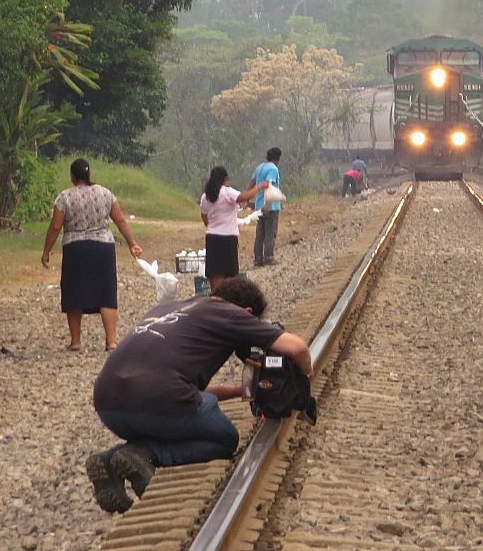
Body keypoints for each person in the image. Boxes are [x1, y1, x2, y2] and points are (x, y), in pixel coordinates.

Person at [85, 276, 313, 513]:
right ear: (247, 312)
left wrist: (237, 390)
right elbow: (297, 347)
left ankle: (111, 459)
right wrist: (306, 374)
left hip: (108, 405)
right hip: (157, 402)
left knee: (177, 414)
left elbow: (180, 388)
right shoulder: (229, 312)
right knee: (224, 438)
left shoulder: (167, 308)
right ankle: (147, 454)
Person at [41, 159, 143, 351]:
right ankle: (111, 340)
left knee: (74, 292)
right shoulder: (105, 193)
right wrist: (132, 244)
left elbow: (55, 226)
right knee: (106, 292)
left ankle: (76, 341)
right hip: (102, 248)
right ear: (88, 174)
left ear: (72, 176)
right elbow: (120, 220)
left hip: (75, 249)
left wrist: (46, 251)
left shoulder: (64, 197)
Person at [199, 166, 268, 291]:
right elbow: (243, 197)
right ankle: (228, 302)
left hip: (212, 238)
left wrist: (212, 227)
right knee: (229, 274)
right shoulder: (226, 192)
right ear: (225, 179)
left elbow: (204, 216)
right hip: (228, 238)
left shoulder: (206, 196)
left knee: (215, 274)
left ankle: (216, 300)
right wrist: (259, 188)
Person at [249, 148, 282, 267]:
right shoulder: (273, 169)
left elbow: (252, 182)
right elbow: (269, 185)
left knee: (260, 233)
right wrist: (267, 204)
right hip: (270, 206)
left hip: (259, 205)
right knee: (270, 232)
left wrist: (247, 196)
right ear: (278, 158)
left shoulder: (259, 167)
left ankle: (258, 259)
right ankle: (268, 257)